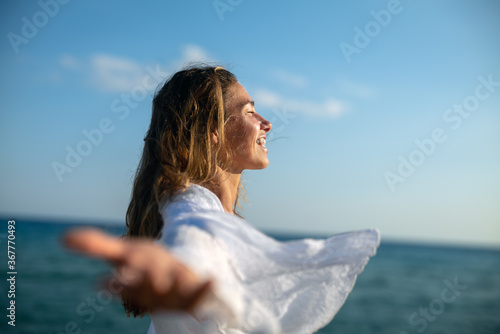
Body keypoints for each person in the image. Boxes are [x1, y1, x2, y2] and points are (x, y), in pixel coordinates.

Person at [64, 65, 380, 334]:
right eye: (249, 111)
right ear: (211, 131)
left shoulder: (221, 216)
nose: (266, 123)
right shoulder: (190, 204)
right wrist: (179, 269)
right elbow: (191, 236)